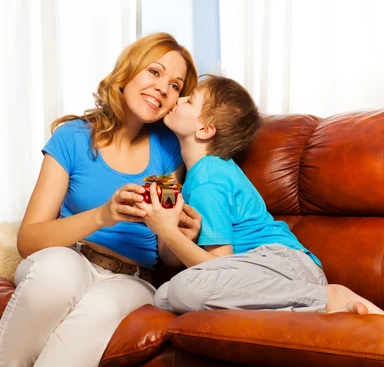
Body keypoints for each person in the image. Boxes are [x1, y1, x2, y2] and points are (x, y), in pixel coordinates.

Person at [0, 33, 202, 367]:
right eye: (154, 72)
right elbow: (29, 241)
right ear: (128, 70)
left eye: (175, 86)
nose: (163, 88)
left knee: (99, 309)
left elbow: (168, 255)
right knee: (57, 275)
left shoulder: (169, 151)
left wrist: (179, 234)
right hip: (69, 256)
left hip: (132, 279)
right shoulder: (71, 137)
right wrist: (104, 215)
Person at [137, 75, 384, 316]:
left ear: (205, 129)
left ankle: (328, 298)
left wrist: (168, 231)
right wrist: (169, 230)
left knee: (183, 290)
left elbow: (215, 264)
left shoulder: (207, 177)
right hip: (272, 275)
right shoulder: (204, 173)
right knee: (164, 295)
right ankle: (303, 306)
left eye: (189, 101)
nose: (179, 99)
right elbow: (185, 263)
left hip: (282, 266)